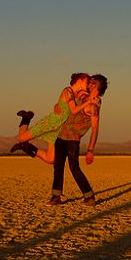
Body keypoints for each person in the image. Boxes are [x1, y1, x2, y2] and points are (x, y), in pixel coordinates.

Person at [10, 72, 98, 164]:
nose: (88, 85)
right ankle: (26, 119)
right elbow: (73, 110)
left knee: (51, 159)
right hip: (51, 123)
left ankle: (26, 147)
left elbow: (91, 96)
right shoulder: (68, 91)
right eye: (87, 82)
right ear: (80, 80)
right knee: (20, 139)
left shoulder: (80, 94)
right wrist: (88, 102)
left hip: (58, 129)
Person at [48, 73, 108, 206]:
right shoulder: (81, 96)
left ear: (95, 86)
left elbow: (95, 130)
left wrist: (90, 150)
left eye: (91, 82)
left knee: (74, 168)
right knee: (58, 166)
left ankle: (89, 195)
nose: (88, 84)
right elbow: (66, 105)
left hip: (73, 140)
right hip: (61, 134)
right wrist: (58, 106)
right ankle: (56, 196)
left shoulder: (94, 107)